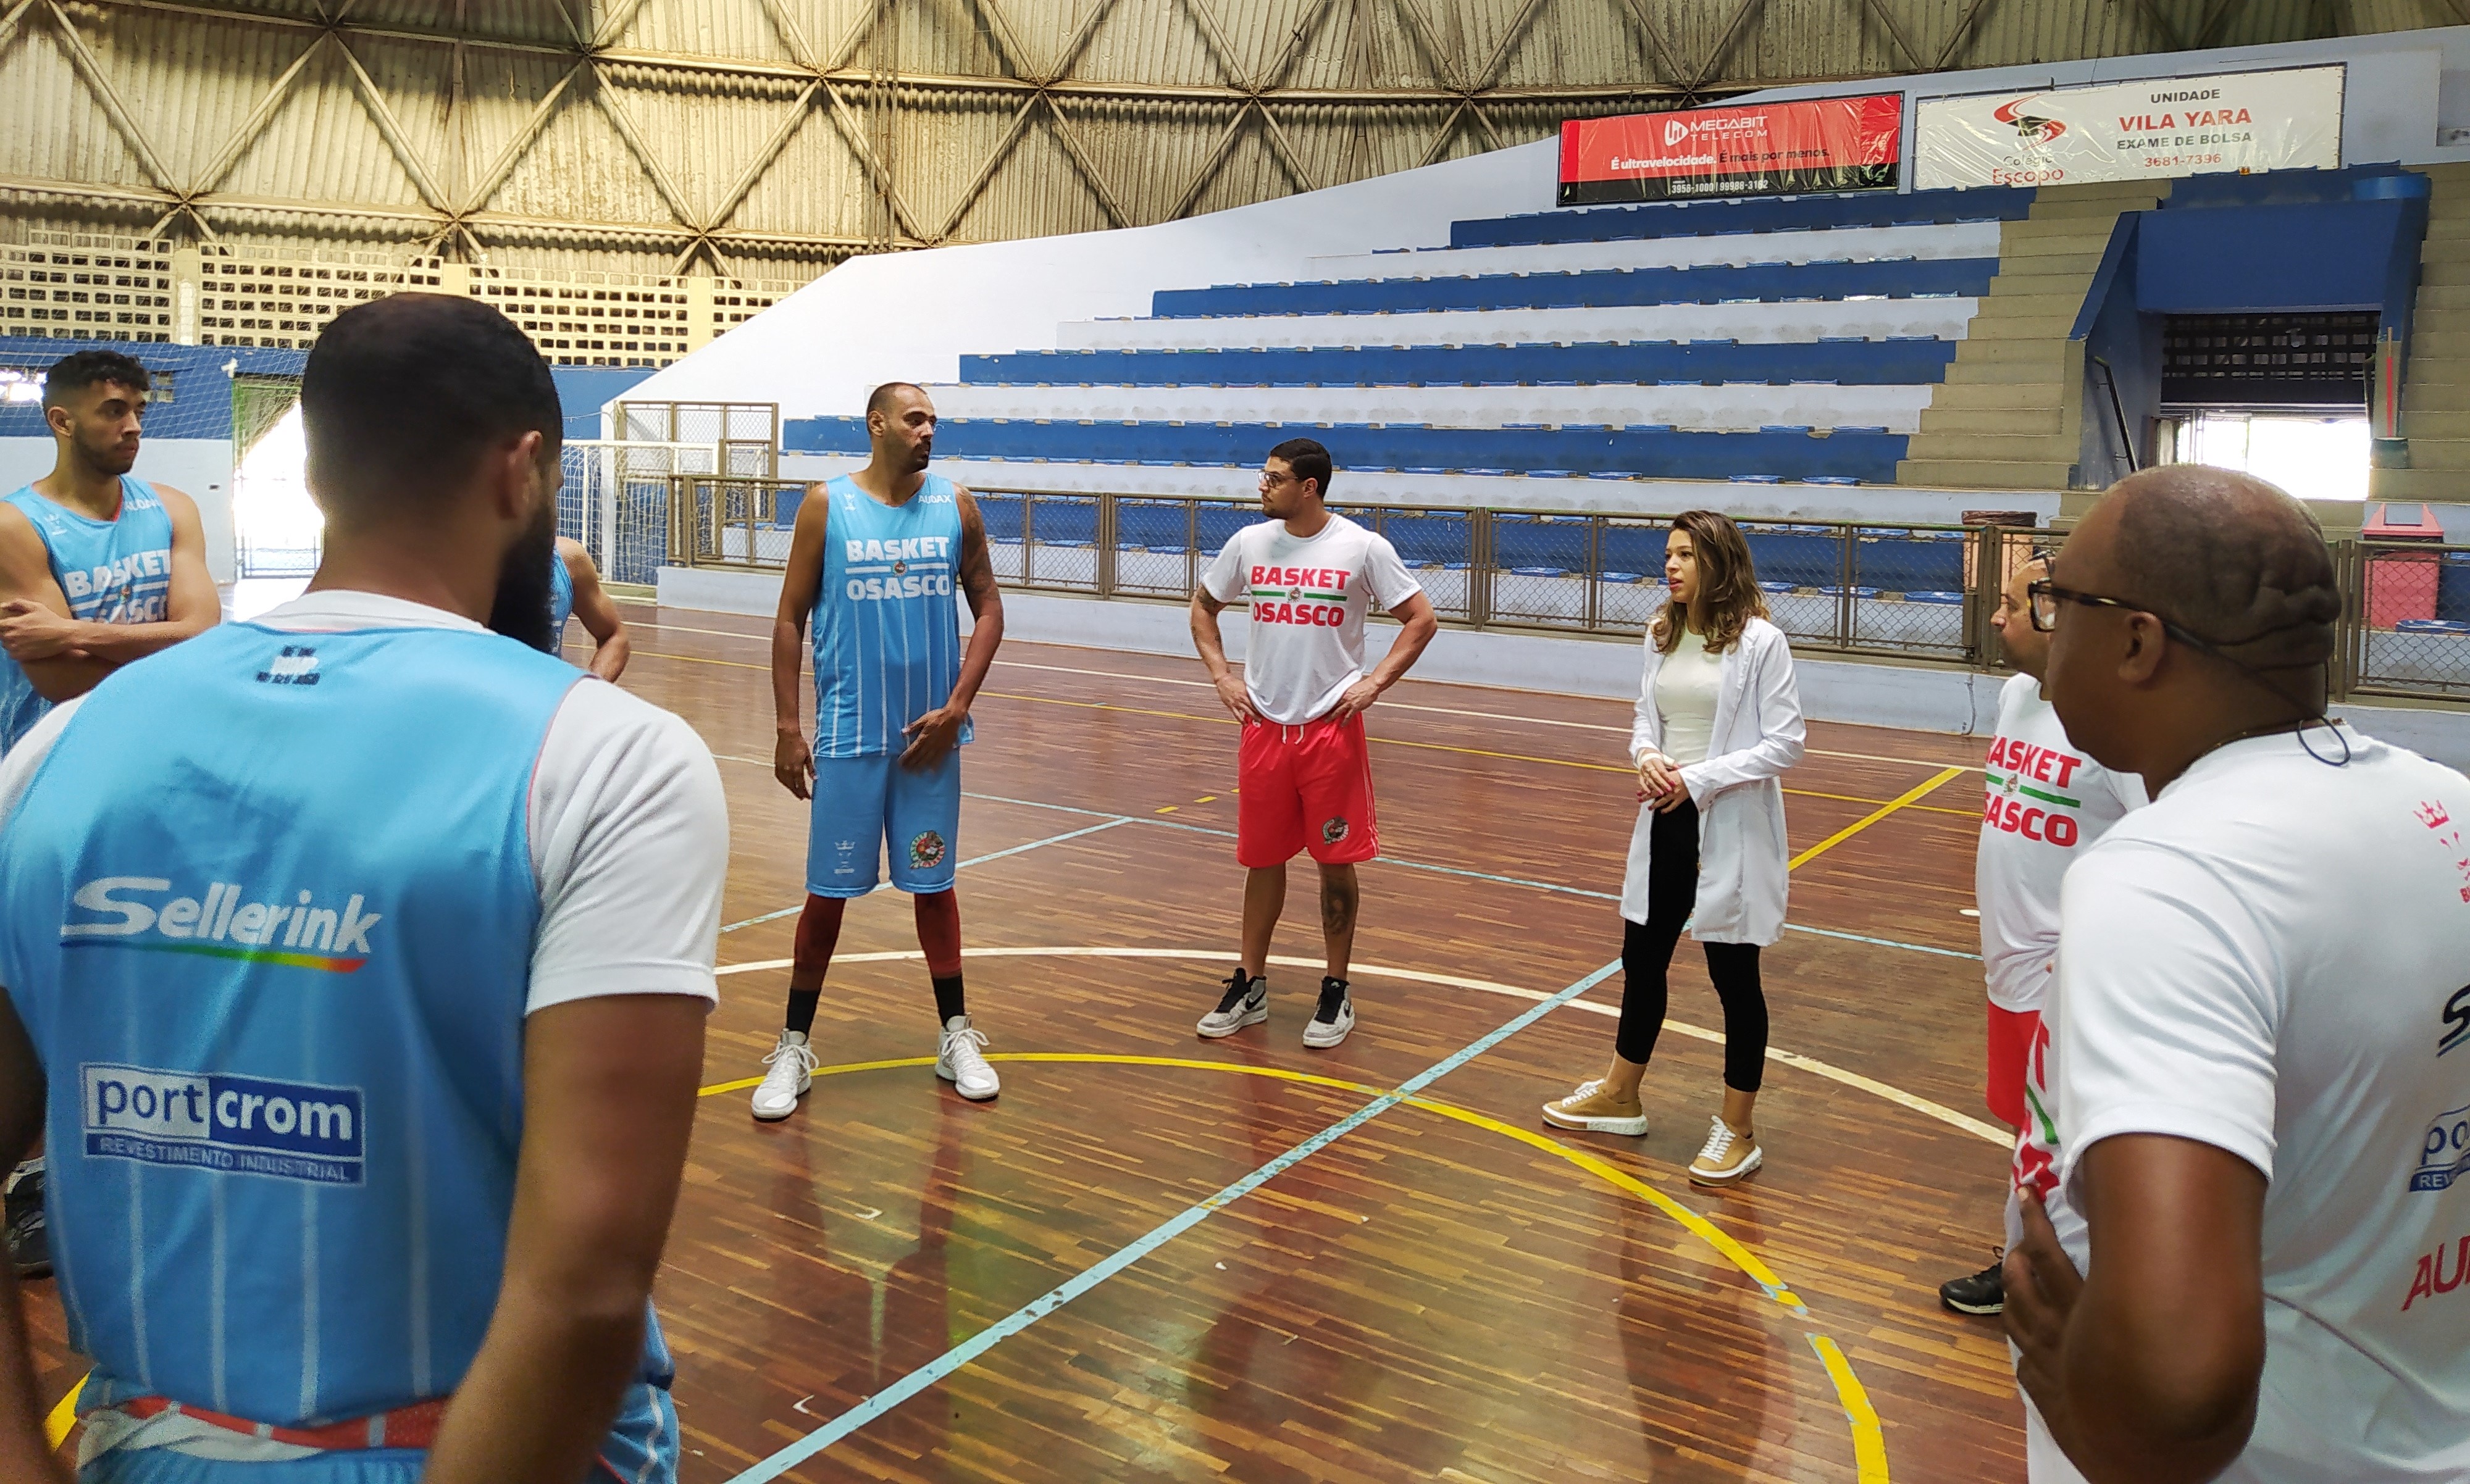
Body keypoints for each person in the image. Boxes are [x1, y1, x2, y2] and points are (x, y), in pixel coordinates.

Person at [0, 293, 727, 1484]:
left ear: (317, 472)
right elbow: (588, 1287)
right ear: (524, 470)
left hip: (145, 1449)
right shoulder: (609, 760)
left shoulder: (52, 754)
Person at [2004, 465, 2470, 1483]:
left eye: (2061, 600)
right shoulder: (2450, 805)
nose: (2044, 629)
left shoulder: (2170, 879)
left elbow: (2180, 1389)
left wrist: (2099, 1420)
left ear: (2137, 641)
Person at [0, 348, 219, 1283]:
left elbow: (207, 639)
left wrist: (83, 632)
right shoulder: (15, 527)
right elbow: (48, 677)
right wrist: (141, 643)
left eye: (138, 411)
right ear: (61, 421)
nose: (133, 426)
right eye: (115, 412)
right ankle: (30, 1180)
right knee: (32, 986)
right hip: (38, 785)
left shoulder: (173, 509)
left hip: (151, 777)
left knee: (146, 972)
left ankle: (132, 1159)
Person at [753, 381, 1006, 1121]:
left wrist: (959, 703)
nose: (930, 430)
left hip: (929, 743)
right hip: (849, 735)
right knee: (826, 895)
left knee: (935, 889)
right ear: (877, 425)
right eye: (916, 418)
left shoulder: (955, 504)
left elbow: (989, 607)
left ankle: (955, 1034)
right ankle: (794, 1046)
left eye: (934, 419)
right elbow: (789, 619)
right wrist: (786, 726)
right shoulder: (826, 505)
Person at [1543, 510, 1803, 1188]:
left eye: (1685, 553)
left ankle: (1738, 1130)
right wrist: (1649, 756)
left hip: (1727, 820)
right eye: (1668, 554)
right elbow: (1643, 717)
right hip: (1666, 814)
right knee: (1642, 957)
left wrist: (1696, 778)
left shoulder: (1761, 643)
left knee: (1732, 977)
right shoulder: (1662, 632)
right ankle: (1620, 1094)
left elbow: (1785, 744)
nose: (1672, 565)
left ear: (1719, 560)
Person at [1936, 552, 2145, 1319]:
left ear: (2060, 617)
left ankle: (2055, 1277)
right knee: (2029, 1128)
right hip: (2009, 962)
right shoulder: (2015, 697)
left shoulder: (2111, 725)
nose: (1997, 618)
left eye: (2012, 605)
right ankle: (2034, 1260)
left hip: (2070, 968)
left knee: (2064, 1134)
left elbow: (2153, 836)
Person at [1189, 438, 1437, 1048]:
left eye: (1273, 478)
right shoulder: (1248, 545)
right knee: (1261, 859)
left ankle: (1336, 988)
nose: (1261, 486)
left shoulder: (1362, 549)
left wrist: (1375, 682)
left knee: (1334, 863)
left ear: (1309, 487)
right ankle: (1250, 983)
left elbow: (1421, 618)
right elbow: (1203, 606)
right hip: (1263, 730)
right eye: (1262, 475)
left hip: (1330, 732)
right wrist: (1222, 675)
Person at [539, 535, 631, 680]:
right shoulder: (491, 568)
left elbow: (615, 636)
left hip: (548, 699)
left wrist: (590, 692)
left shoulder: (567, 560)